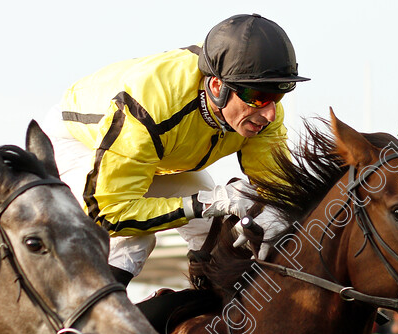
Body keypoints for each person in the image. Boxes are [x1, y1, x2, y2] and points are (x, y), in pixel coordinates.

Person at [41, 14, 307, 285]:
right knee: (133, 242)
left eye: (278, 95)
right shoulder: (148, 109)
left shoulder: (263, 114)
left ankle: (208, 315)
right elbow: (108, 214)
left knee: (215, 235)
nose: (270, 114)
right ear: (217, 86)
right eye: (258, 97)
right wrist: (207, 202)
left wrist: (276, 210)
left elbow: (275, 186)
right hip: (82, 141)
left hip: (153, 154)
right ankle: (86, 325)